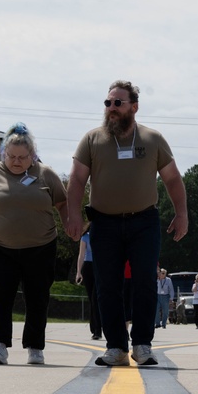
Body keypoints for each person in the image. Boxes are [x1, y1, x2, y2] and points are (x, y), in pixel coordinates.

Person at [64, 80, 189, 367]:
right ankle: (116, 347)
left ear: (133, 107)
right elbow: (77, 180)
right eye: (108, 103)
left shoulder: (152, 139)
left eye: (118, 103)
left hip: (143, 222)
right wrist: (73, 216)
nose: (111, 108)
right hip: (104, 224)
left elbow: (172, 179)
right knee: (107, 286)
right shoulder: (92, 139)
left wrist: (181, 214)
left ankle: (143, 345)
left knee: (145, 282)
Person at [0, 123, 68, 365]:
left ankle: (35, 348)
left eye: (22, 157)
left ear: (32, 155)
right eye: (11, 156)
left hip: (41, 246)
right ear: (4, 153)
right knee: (1, 295)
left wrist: (69, 224)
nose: (16, 161)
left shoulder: (46, 174)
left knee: (37, 297)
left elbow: (63, 203)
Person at [75, 224, 101, 340]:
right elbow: (81, 255)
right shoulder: (85, 237)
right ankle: (95, 329)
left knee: (97, 298)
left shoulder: (103, 235)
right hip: (88, 267)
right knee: (92, 299)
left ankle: (98, 329)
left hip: (100, 267)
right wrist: (78, 272)